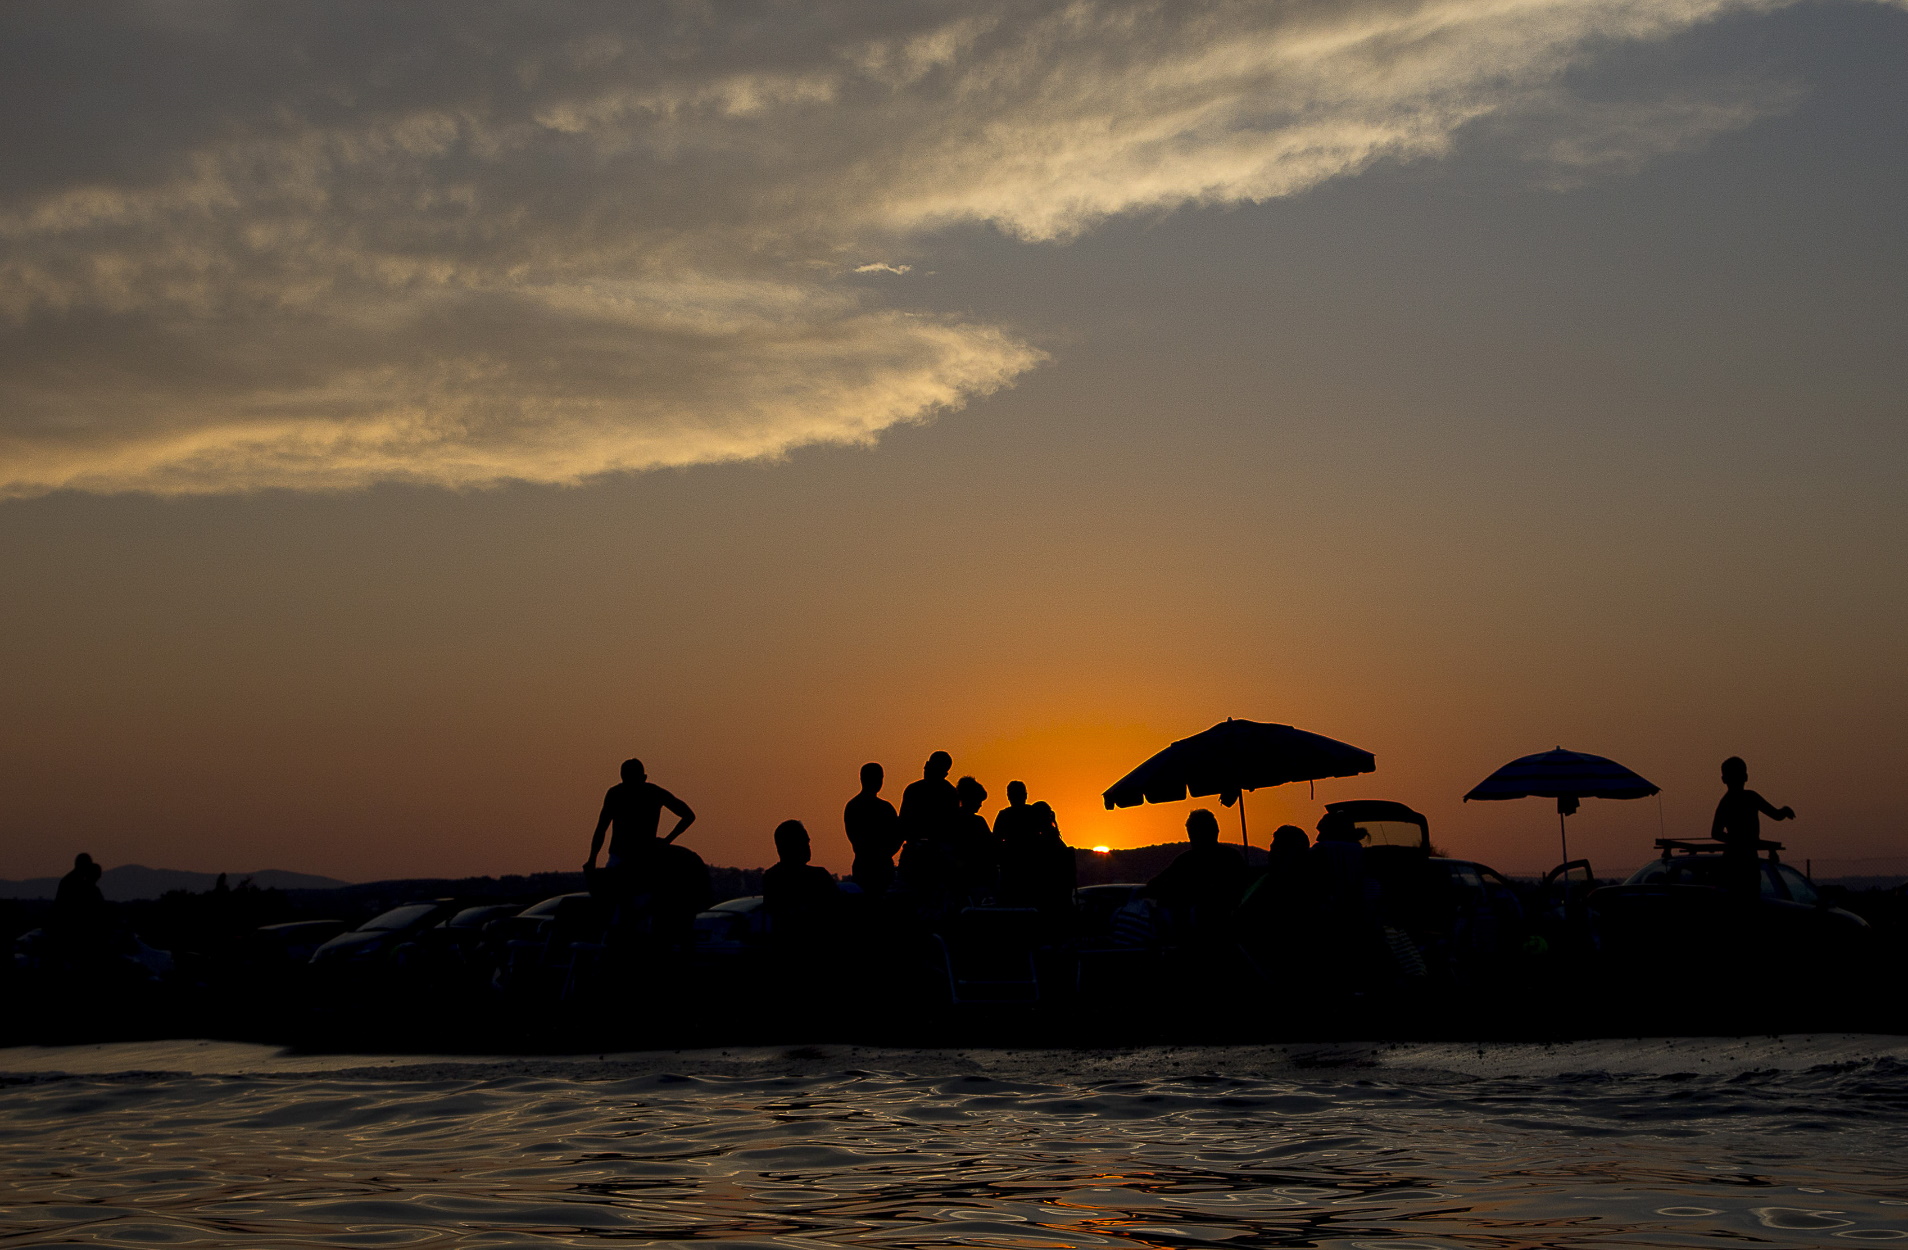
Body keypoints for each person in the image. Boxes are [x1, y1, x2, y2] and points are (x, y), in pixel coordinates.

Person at [1142, 809, 1247, 937]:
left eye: (1193, 833)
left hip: (1203, 930)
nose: (1192, 838)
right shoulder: (1232, 856)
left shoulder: (1187, 860)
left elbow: (1153, 885)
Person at [585, 758, 696, 873]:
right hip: (622, 857)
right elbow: (601, 829)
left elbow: (688, 815)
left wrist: (667, 840)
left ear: (643, 778)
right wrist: (592, 858)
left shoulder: (652, 793)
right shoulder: (616, 794)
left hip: (644, 859)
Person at [1711, 756, 1794, 898]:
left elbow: (1716, 833)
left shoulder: (1727, 802)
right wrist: (1742, 841)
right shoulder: (1749, 797)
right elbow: (1776, 815)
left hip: (1735, 860)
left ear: (1724, 779)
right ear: (1746, 777)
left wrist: (1735, 840)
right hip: (1746, 860)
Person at [762, 820, 840, 943]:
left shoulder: (771, 877)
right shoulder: (818, 876)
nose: (808, 846)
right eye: (804, 842)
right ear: (789, 846)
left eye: (808, 842)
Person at [897, 751, 959, 893]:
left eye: (931, 768)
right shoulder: (914, 790)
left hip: (936, 856)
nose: (926, 770)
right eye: (927, 766)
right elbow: (902, 825)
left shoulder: (949, 794)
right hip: (917, 854)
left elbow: (952, 829)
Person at [843, 762, 902, 895]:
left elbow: (897, 835)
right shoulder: (882, 808)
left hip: (870, 865)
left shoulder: (853, 806)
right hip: (871, 865)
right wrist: (884, 853)